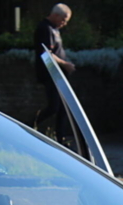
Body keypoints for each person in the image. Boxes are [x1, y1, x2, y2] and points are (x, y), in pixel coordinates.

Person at [34, 4, 75, 145]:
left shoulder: (54, 29)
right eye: (63, 20)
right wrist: (65, 64)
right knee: (54, 107)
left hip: (58, 73)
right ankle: (28, 125)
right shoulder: (45, 28)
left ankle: (60, 139)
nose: (64, 23)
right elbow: (47, 53)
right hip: (50, 72)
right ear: (55, 15)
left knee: (64, 108)